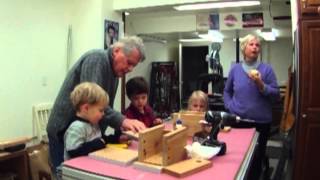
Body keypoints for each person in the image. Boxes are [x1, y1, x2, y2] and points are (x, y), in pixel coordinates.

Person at [47, 36, 147, 175]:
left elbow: (104, 109)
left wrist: (116, 134)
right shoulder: (96, 59)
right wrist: (123, 120)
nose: (130, 69)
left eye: (133, 66)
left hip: (88, 135)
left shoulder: (115, 74)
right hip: (64, 131)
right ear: (116, 51)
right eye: (129, 62)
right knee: (66, 175)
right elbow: (93, 101)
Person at [223, 34, 279, 179]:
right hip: (238, 121)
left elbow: (276, 96)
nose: (255, 47)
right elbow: (227, 91)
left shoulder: (267, 70)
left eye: (257, 45)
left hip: (260, 124)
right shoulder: (235, 70)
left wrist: (261, 85)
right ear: (244, 48)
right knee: (236, 158)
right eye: (251, 44)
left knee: (256, 160)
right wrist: (229, 105)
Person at [64, 82, 109, 161]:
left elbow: (101, 139)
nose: (103, 114)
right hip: (76, 169)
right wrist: (97, 144)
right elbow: (74, 151)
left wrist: (117, 138)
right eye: (101, 110)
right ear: (86, 108)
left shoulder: (93, 123)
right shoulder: (76, 127)